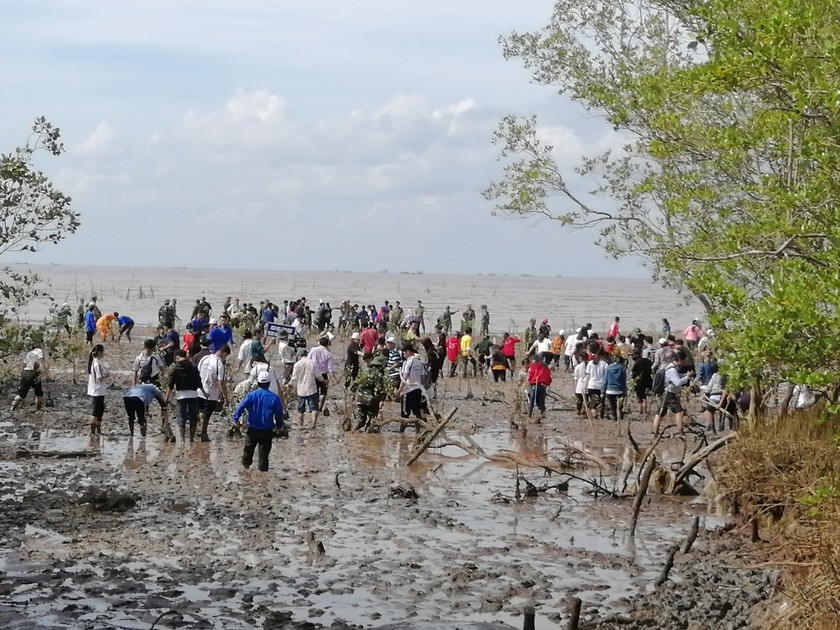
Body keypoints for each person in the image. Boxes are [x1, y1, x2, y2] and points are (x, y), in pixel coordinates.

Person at [232, 371, 285, 472]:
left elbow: (241, 406)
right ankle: (263, 478)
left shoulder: (252, 395)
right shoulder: (274, 398)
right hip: (267, 431)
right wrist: (279, 426)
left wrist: (236, 419)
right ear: (269, 383)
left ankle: (245, 471)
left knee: (247, 453)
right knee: (263, 457)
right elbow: (279, 414)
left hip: (252, 430)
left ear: (258, 383)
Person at [652, 349, 694, 435]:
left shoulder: (672, 367)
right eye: (683, 361)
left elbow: (675, 378)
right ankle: (681, 432)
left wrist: (684, 376)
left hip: (666, 393)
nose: (684, 363)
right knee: (679, 412)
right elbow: (677, 382)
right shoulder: (672, 370)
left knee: (660, 413)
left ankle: (655, 432)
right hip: (669, 394)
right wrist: (687, 377)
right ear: (679, 360)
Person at [167, 350, 205, 442]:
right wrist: (204, 392)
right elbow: (199, 381)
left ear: (177, 357)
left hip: (181, 396)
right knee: (193, 418)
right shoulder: (193, 366)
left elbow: (170, 385)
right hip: (193, 395)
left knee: (181, 418)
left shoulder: (175, 368)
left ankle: (183, 440)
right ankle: (191, 439)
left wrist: (167, 397)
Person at [196, 344, 230, 442]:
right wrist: (225, 396)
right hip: (210, 393)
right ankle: (204, 434)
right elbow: (221, 382)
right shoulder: (219, 364)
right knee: (206, 415)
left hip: (199, 390)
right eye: (226, 356)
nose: (225, 358)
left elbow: (197, 373)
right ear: (224, 353)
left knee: (199, 412)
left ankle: (198, 431)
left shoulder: (204, 358)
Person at [353, 354, 391, 431]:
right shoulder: (378, 375)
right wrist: (382, 399)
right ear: (381, 365)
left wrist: (354, 396)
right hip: (371, 401)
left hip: (360, 399)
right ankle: (368, 437)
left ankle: (352, 434)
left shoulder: (365, 371)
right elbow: (379, 389)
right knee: (371, 421)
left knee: (360, 422)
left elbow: (354, 384)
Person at [398, 342, 426, 430]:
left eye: (404, 352)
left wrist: (399, 391)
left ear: (408, 352)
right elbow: (423, 377)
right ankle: (419, 432)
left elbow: (404, 378)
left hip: (408, 391)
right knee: (417, 412)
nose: (403, 354)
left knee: (405, 413)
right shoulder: (419, 362)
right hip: (418, 390)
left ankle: (401, 433)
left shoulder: (408, 362)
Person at [291, 347, 321, 429]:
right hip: (311, 388)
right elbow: (318, 376)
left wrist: (290, 385)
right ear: (306, 354)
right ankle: (313, 424)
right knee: (314, 408)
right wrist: (324, 381)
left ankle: (301, 425)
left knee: (301, 410)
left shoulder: (297, 364)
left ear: (299, 355)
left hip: (301, 389)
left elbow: (294, 378)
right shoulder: (312, 363)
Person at [308, 334, 335, 415]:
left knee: (314, 391)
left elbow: (308, 360)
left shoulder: (313, 350)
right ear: (327, 344)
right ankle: (320, 408)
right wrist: (334, 378)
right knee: (323, 392)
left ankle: (313, 408)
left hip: (313, 373)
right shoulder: (328, 353)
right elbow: (330, 368)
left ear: (319, 342)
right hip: (323, 374)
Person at [87, 344, 108, 435]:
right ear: (99, 352)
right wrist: (106, 375)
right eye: (103, 352)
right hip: (97, 390)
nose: (104, 353)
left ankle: (98, 428)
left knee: (100, 409)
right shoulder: (96, 364)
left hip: (98, 390)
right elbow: (99, 377)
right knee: (96, 410)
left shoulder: (95, 362)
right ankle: (93, 430)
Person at [585, 351, 608, 417]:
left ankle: (594, 414)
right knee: (601, 402)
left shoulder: (590, 363)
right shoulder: (605, 364)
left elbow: (587, 375)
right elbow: (606, 376)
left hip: (591, 385)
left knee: (593, 402)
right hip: (601, 386)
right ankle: (601, 415)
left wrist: (585, 386)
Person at [630, 349, 653, 416]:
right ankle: (645, 409)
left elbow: (633, 373)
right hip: (648, 380)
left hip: (638, 381)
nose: (631, 357)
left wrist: (632, 379)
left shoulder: (637, 362)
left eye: (632, 355)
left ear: (637, 354)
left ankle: (640, 410)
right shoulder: (647, 361)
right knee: (644, 396)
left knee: (639, 396)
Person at [604, 358, 628, 422]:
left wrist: (604, 389)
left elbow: (606, 379)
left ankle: (615, 418)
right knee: (619, 407)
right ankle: (619, 418)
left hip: (610, 389)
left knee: (612, 407)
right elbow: (624, 380)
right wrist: (625, 390)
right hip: (620, 389)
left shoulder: (609, 367)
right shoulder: (622, 368)